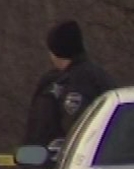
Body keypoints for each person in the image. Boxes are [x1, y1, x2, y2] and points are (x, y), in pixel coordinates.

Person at [23, 20, 117, 148]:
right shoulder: (101, 77)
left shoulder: (58, 83)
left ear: (55, 51)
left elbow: (42, 129)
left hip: (62, 161)